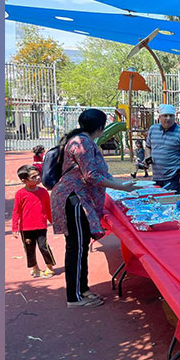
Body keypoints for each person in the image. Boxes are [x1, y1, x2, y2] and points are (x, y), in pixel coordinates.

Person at [51, 109, 139, 308]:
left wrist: (117, 182)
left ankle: (82, 289)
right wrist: (122, 187)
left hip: (76, 198)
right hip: (75, 199)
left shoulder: (79, 140)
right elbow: (91, 176)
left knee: (79, 247)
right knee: (76, 247)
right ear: (100, 127)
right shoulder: (83, 143)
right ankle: (74, 297)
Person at [13, 164, 56, 278]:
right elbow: (16, 211)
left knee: (43, 246)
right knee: (29, 249)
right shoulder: (20, 194)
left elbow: (48, 209)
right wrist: (14, 228)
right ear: (24, 180)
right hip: (25, 228)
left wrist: (53, 222)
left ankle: (49, 267)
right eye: (33, 177)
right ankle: (35, 268)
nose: (37, 178)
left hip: (41, 226)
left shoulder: (43, 192)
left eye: (38, 175)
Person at [145, 103, 180, 193]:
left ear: (174, 117)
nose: (168, 118)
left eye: (171, 116)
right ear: (160, 117)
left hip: (173, 178)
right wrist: (147, 157)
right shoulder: (153, 130)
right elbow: (148, 146)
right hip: (156, 176)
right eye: (165, 116)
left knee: (172, 203)